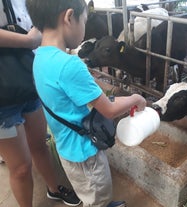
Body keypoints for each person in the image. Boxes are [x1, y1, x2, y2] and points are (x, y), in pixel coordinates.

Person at [26, 0, 147, 207]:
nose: (84, 29)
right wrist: (136, 99)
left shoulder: (39, 57)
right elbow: (108, 109)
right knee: (97, 194)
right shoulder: (69, 65)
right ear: (69, 17)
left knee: (89, 191)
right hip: (84, 153)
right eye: (84, 21)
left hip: (66, 147)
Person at [0, 0, 81, 207]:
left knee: (39, 145)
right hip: (2, 96)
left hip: (29, 79)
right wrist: (28, 40)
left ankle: (54, 189)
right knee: (20, 167)